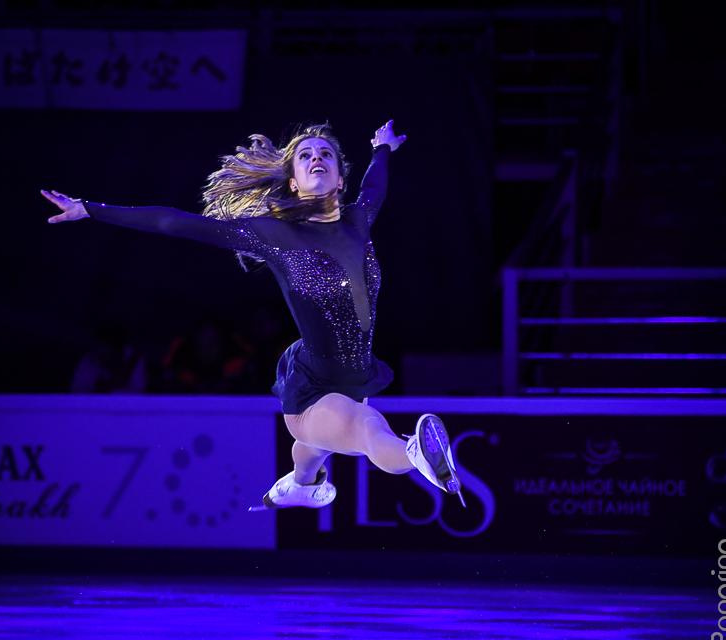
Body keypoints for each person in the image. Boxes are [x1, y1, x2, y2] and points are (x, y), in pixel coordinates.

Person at [41, 119, 465, 509]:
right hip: (314, 388)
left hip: (355, 377)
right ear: (295, 183)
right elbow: (175, 223)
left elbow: (375, 188)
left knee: (316, 448)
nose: (316, 158)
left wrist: (382, 149)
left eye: (326, 154)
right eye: (305, 155)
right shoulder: (273, 235)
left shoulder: (358, 219)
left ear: (339, 178)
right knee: (369, 428)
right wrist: (90, 209)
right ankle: (416, 453)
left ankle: (302, 485)